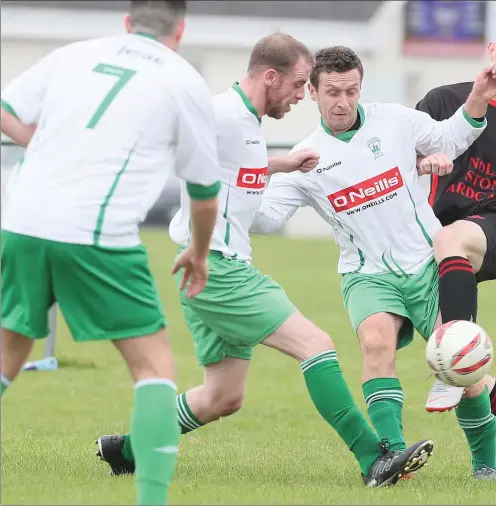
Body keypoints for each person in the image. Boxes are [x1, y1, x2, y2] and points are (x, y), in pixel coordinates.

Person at [95, 33, 434, 488]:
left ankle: (127, 449)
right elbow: (165, 137)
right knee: (316, 346)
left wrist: (280, 164)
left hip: (202, 266)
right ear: (270, 77)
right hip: (216, 266)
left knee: (222, 396)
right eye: (298, 85)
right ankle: (373, 456)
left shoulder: (247, 125)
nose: (301, 95)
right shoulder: (222, 114)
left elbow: (233, 167)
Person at [0, 1, 222, 504]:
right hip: (95, 233)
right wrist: (199, 251)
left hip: (21, 220)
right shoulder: (183, 81)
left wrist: (41, 146)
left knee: (8, 355)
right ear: (180, 30)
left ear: (127, 22)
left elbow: (6, 109)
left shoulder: (76, 54)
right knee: (154, 369)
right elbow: (205, 192)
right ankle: (151, 499)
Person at [250, 46, 496, 480]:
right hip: (366, 275)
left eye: (351, 91)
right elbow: (267, 217)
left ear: (360, 87)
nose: (342, 102)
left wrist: (478, 95)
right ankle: (395, 460)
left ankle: (486, 464)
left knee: (463, 368)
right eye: (332, 92)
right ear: (312, 92)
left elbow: (450, 138)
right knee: (376, 344)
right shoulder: (305, 157)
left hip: (424, 264)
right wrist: (253, 174)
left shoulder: (396, 121)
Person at [415, 40, 496, 415]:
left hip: (469, 233)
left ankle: (453, 365)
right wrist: (421, 160)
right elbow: (399, 157)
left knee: (452, 238)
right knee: (381, 331)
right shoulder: (443, 101)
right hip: (441, 241)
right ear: (491, 50)